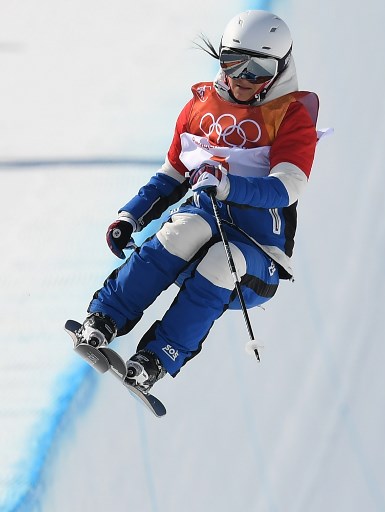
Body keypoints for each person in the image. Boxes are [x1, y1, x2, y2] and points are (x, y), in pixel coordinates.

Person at [73, 10, 321, 393]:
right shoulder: (200, 108)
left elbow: (286, 188)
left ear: (282, 68)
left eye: (258, 70)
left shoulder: (290, 117)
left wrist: (229, 186)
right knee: (183, 228)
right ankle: (104, 318)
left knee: (225, 261)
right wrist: (130, 216)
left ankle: (158, 358)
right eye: (233, 63)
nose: (242, 78)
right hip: (202, 228)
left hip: (257, 257)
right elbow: (171, 175)